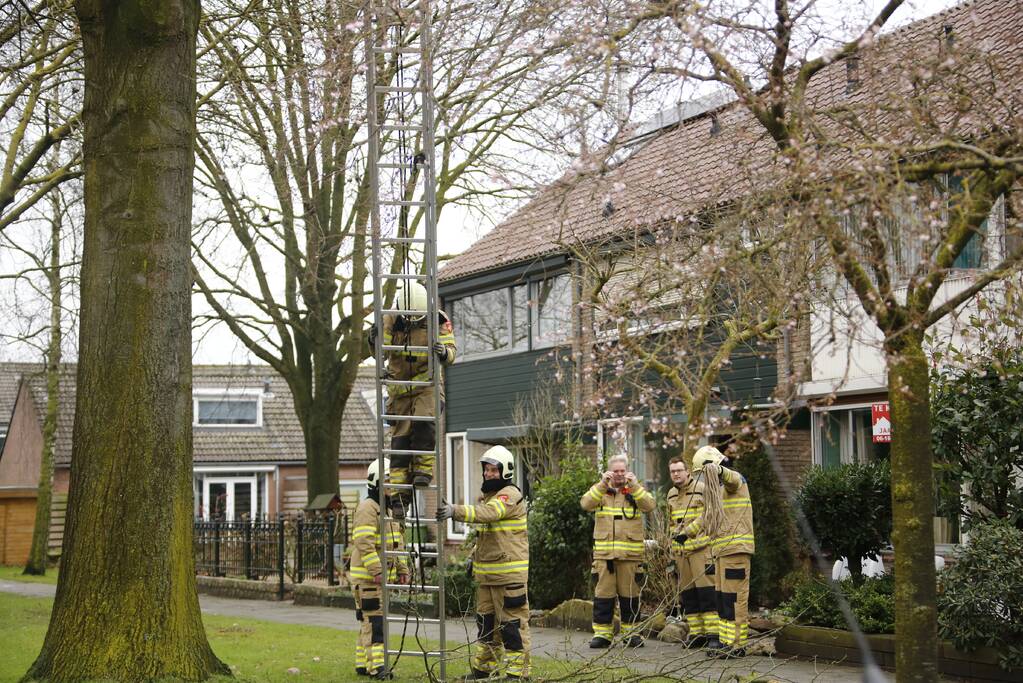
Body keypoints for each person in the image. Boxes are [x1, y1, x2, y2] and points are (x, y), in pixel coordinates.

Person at [437, 445, 530, 681]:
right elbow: (490, 536)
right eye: (486, 470)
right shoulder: (491, 497)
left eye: (493, 470)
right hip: (488, 576)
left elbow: (490, 514)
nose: (488, 474)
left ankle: (518, 674)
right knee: (486, 626)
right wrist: (473, 558)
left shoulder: (509, 495)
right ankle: (483, 669)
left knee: (512, 626)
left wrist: (454, 510)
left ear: (505, 471)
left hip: (508, 577)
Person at [371, 280, 456, 519]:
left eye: (415, 320)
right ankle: (399, 500)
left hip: (427, 386)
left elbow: (451, 352)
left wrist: (444, 353)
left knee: (424, 422)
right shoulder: (390, 318)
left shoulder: (438, 321)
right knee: (399, 445)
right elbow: (381, 351)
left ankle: (423, 472)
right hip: (399, 391)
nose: (411, 323)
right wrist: (374, 340)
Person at [680, 445, 754, 658]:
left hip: (736, 551)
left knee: (734, 599)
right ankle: (726, 642)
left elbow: (732, 478)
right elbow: (707, 516)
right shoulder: (719, 492)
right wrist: (686, 533)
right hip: (721, 551)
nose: (702, 479)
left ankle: (737, 645)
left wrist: (719, 470)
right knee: (722, 599)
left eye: (703, 474)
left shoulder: (736, 482)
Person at [580, 453, 656, 648]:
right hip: (605, 558)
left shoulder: (634, 491)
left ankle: (632, 634)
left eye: (623, 471)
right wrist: (602, 484)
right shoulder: (601, 492)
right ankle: (603, 635)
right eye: (616, 471)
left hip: (630, 557)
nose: (620, 474)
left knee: (630, 596)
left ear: (628, 471)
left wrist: (636, 486)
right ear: (609, 472)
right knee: (603, 597)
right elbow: (585, 504)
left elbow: (650, 505)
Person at [349, 459, 409, 678]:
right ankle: (378, 668)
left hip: (376, 578)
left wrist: (402, 568)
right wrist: (377, 570)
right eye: (387, 481)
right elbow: (363, 542)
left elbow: (396, 542)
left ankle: (363, 664)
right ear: (375, 482)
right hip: (367, 578)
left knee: (369, 620)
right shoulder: (368, 508)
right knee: (375, 623)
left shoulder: (387, 510)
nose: (391, 486)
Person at [665, 455, 716, 647]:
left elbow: (709, 515)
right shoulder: (670, 494)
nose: (676, 474)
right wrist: (672, 549)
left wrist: (688, 532)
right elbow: (671, 523)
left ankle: (713, 635)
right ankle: (697, 634)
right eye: (672, 471)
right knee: (689, 595)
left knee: (707, 593)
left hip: (701, 549)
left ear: (687, 471)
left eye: (679, 470)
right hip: (681, 553)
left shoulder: (702, 490)